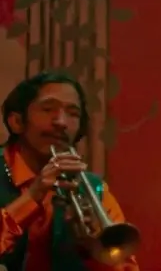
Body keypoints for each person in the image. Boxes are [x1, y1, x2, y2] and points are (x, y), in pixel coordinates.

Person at [0, 72, 140, 270]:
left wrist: (92, 248)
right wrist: (32, 196)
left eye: (73, 113)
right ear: (17, 122)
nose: (62, 122)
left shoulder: (94, 188)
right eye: (48, 109)